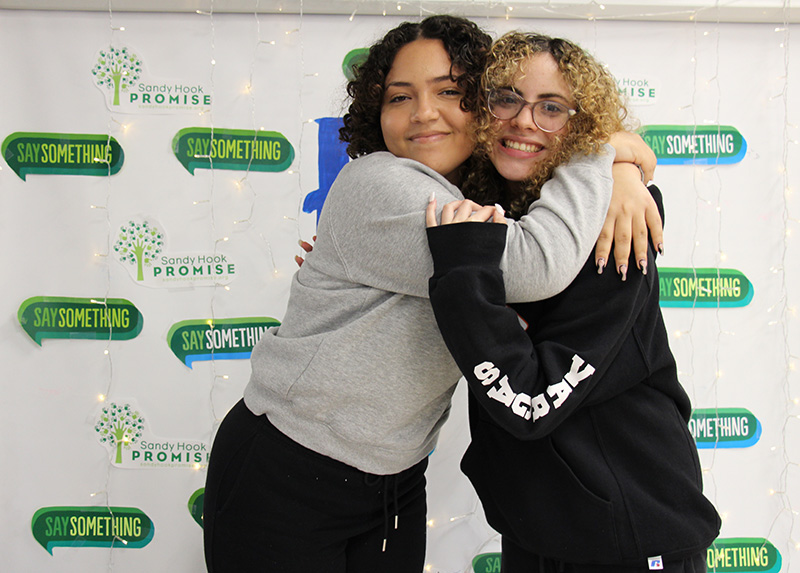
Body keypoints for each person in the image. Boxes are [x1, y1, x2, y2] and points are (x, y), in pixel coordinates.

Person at [203, 16, 659, 573]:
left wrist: (623, 166)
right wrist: (603, 152)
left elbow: (492, 288)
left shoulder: (474, 197)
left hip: (396, 478)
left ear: (482, 105)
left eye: (449, 91)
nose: (423, 112)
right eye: (399, 97)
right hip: (289, 468)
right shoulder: (382, 184)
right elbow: (534, 266)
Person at [426, 32, 721, 572]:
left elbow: (533, 400)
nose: (524, 121)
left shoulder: (616, 219)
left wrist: (465, 273)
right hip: (539, 526)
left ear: (582, 124)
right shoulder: (490, 207)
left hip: (630, 527)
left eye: (552, 108)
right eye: (507, 98)